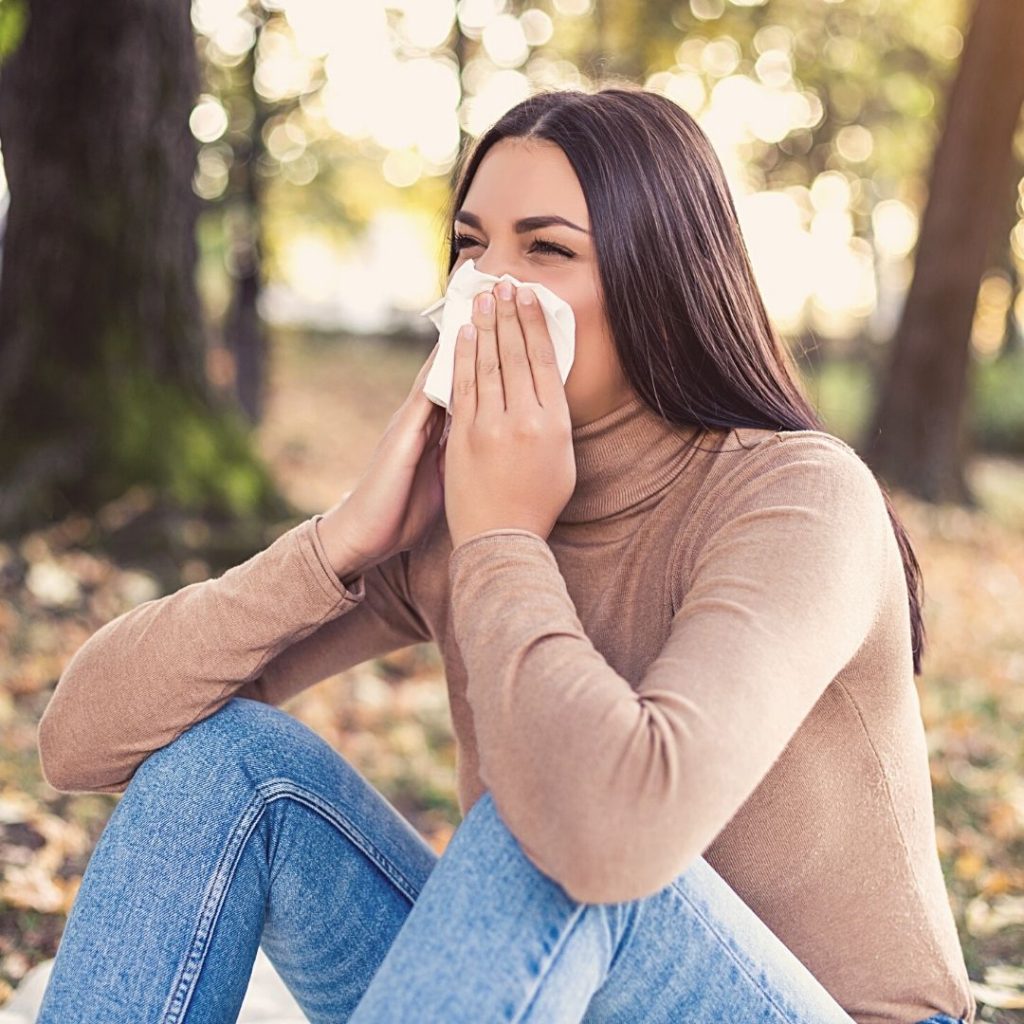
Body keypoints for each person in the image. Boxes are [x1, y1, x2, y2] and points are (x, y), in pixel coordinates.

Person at [35, 85, 975, 1024]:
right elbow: (82, 739)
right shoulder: (453, 511)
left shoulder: (799, 495)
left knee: (546, 823)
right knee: (229, 764)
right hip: (561, 986)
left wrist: (503, 539)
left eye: (547, 248)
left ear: (660, 280)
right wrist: (338, 545)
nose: (486, 286)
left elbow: (609, 835)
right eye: (471, 245)